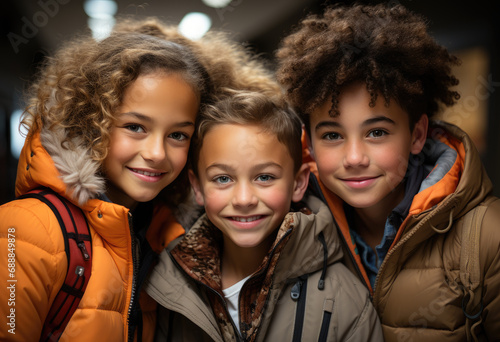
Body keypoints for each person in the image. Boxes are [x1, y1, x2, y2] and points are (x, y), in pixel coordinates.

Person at [0, 17, 277, 341]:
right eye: (135, 127)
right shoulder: (22, 230)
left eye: (177, 134)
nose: (157, 152)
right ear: (92, 122)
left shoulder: (165, 235)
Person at [275, 3, 500, 341]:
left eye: (376, 132)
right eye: (332, 135)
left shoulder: (487, 237)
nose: (354, 158)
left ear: (417, 135)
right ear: (309, 142)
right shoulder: (289, 231)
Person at [144, 90, 384, 341]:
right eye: (223, 178)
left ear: (298, 184)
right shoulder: (169, 282)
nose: (244, 199)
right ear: (198, 188)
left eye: (265, 177)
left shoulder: (345, 300)